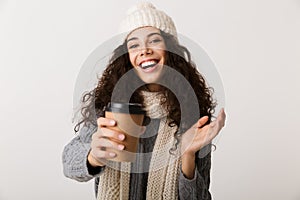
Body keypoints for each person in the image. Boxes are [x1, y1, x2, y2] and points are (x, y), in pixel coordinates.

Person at [62, 2, 226, 200]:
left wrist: (188, 155)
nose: (145, 50)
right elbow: (68, 163)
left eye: (154, 41)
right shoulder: (109, 106)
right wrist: (93, 156)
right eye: (134, 45)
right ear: (126, 58)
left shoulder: (193, 115)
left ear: (170, 52)